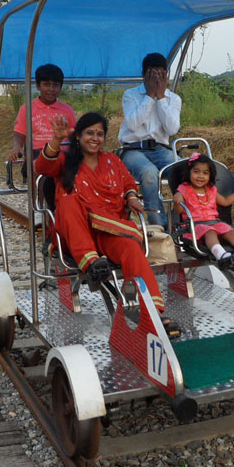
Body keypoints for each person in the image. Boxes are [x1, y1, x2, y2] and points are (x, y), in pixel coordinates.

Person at [36, 112, 180, 338]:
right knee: (68, 201)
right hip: (76, 232)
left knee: (132, 251)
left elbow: (128, 183)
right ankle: (92, 263)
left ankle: (153, 312)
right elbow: (43, 167)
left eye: (100, 134)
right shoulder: (66, 159)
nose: (95, 138)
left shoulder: (113, 161)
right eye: (89, 133)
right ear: (79, 136)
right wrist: (56, 139)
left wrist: (132, 196)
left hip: (110, 228)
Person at [118, 53, 182, 227]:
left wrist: (160, 98)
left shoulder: (173, 99)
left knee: (184, 170)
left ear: (166, 74)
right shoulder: (130, 95)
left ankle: (182, 223)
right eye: (152, 74)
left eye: (160, 74)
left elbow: (172, 129)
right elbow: (132, 125)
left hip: (161, 149)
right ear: (143, 75)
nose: (156, 78)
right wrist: (149, 97)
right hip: (133, 149)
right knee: (149, 173)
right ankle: (159, 227)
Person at [172, 152, 234, 266]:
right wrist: (178, 198)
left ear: (210, 175)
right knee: (210, 232)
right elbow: (178, 211)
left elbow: (225, 201)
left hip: (214, 223)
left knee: (230, 232)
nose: (200, 176)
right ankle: (222, 256)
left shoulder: (211, 189)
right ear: (189, 173)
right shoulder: (184, 189)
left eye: (205, 173)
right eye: (196, 172)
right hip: (194, 226)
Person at [8, 63, 76, 178]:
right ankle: (39, 193)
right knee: (41, 168)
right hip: (36, 153)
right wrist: (16, 147)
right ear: (38, 86)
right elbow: (19, 134)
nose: (51, 89)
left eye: (55, 85)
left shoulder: (67, 110)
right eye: (46, 85)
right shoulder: (27, 109)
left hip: (61, 154)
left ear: (60, 87)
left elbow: (74, 136)